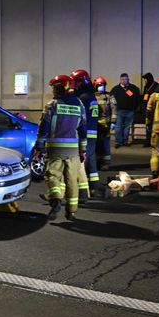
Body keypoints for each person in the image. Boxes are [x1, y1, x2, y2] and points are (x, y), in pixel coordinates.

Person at [36, 75, 86, 222]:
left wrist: (39, 147)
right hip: (73, 150)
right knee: (72, 181)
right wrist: (82, 150)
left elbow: (44, 128)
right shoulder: (79, 105)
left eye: (54, 88)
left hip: (55, 149)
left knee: (52, 176)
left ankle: (56, 199)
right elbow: (83, 129)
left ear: (60, 88)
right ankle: (71, 211)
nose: (53, 91)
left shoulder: (52, 105)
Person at [71, 69, 99, 197]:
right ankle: (94, 185)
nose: (74, 85)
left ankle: (82, 189)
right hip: (92, 130)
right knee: (90, 157)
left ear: (82, 82)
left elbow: (79, 116)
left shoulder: (83, 97)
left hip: (85, 131)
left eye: (76, 82)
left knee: (83, 159)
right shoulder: (91, 96)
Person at [109, 73, 141, 148]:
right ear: (120, 80)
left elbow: (137, 99)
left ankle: (125, 141)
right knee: (118, 127)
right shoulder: (115, 89)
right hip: (119, 111)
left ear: (128, 79)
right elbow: (111, 99)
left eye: (126, 79)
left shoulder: (133, 88)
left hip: (130, 111)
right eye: (122, 79)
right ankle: (118, 142)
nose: (124, 81)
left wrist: (135, 108)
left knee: (127, 127)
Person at [93, 76, 112, 170]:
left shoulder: (108, 96)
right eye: (100, 85)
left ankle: (106, 163)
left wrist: (113, 122)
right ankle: (97, 162)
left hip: (105, 125)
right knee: (96, 144)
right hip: (95, 125)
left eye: (103, 85)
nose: (102, 87)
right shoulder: (92, 96)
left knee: (105, 144)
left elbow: (114, 109)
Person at [140, 73, 157, 147]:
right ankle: (148, 141)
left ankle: (154, 141)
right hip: (147, 108)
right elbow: (144, 96)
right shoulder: (146, 87)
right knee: (148, 126)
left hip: (155, 109)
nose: (145, 81)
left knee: (155, 126)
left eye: (146, 79)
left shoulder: (156, 85)